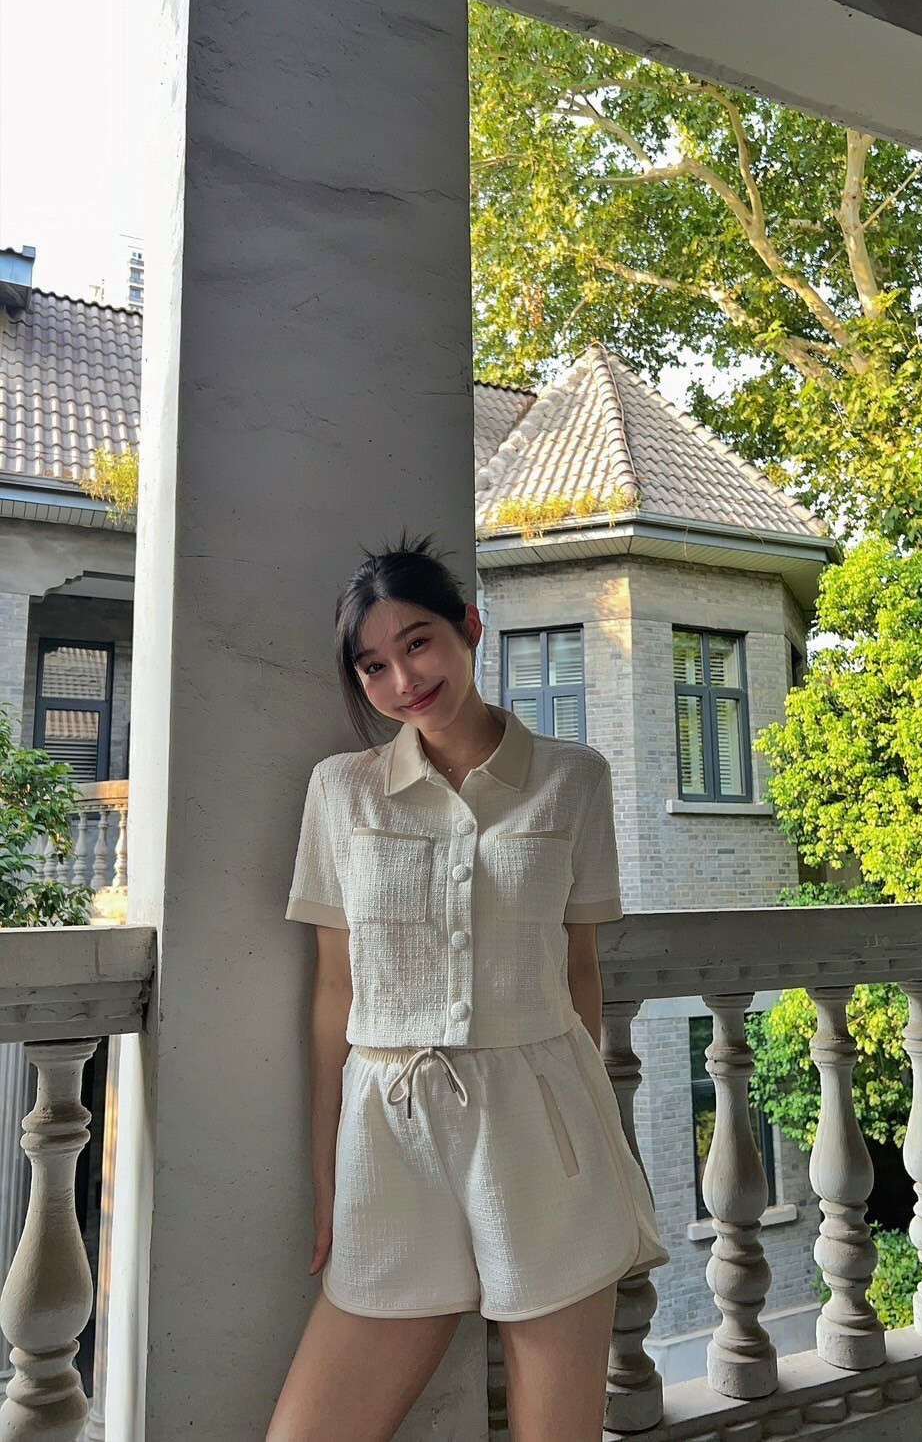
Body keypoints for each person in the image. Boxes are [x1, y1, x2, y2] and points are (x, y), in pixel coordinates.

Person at [266, 531, 669, 1442]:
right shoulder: (341, 791)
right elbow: (333, 990)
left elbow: (580, 968)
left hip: (543, 1125)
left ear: (469, 628)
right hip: (390, 1133)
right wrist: (325, 1172)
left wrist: (598, 1131)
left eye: (418, 642)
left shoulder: (572, 778)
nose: (403, 678)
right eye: (373, 665)